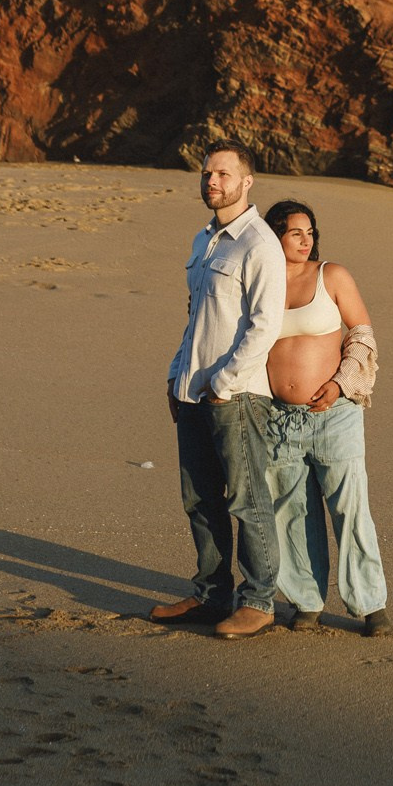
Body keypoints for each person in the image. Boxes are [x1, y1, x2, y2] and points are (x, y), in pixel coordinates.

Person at [147, 142, 285, 639]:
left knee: (246, 500)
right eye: (207, 174)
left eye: (223, 174)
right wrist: (175, 374)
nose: (212, 182)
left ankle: (259, 601)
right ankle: (211, 595)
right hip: (191, 391)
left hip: (237, 396)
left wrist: (223, 385)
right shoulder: (204, 240)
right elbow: (196, 318)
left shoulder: (259, 244)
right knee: (200, 499)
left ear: (247, 182)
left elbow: (264, 326)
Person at [260, 198, 390, 635]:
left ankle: (372, 607)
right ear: (274, 235)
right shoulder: (261, 284)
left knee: (350, 508)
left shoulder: (331, 275)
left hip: (335, 415)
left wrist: (339, 384)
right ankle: (307, 603)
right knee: (291, 512)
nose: (305, 240)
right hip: (279, 419)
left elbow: (363, 334)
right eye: (295, 232)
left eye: (309, 232)